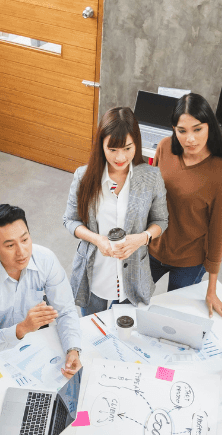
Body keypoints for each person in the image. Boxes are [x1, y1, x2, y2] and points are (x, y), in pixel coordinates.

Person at [62, 107, 168, 316]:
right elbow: (70, 220)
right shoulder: (83, 177)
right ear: (101, 145)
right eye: (112, 149)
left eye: (127, 148)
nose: (121, 157)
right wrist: (98, 240)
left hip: (133, 276)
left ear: (136, 143)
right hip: (95, 273)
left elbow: (161, 220)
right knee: (93, 328)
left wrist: (142, 238)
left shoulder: (151, 177)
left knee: (124, 330)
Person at [149, 93, 222, 321]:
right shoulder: (165, 147)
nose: (190, 139)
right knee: (121, 307)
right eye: (182, 131)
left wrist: (211, 289)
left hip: (189, 260)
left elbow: (219, 232)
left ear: (210, 127)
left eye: (197, 129)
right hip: (152, 249)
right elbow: (151, 197)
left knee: (172, 321)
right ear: (174, 129)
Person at [0, 204, 82, 376]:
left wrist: (73, 350)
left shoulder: (46, 259)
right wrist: (23, 327)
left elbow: (66, 311)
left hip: (29, 331)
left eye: (25, 240)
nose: (22, 252)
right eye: (10, 245)